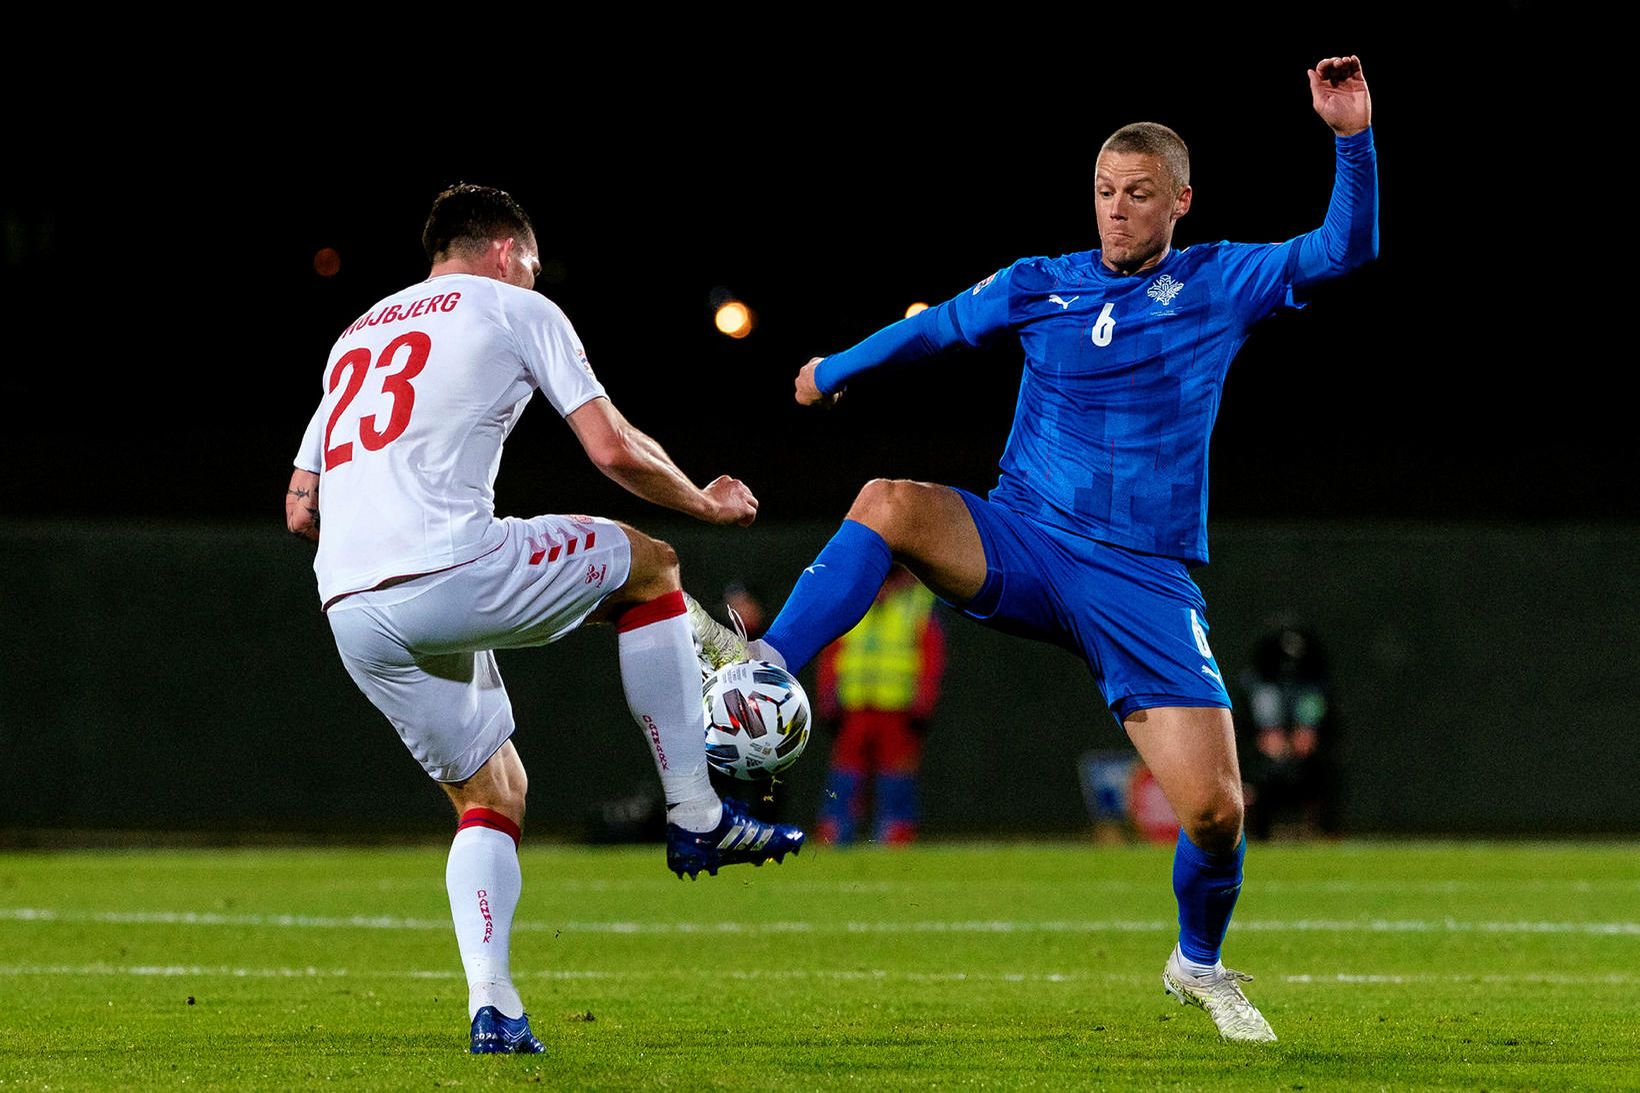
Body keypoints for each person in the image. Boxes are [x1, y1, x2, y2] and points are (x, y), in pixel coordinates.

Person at [695, 57, 1377, 1042]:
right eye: (1103, 193)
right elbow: (934, 329)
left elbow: (1343, 248)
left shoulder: (1221, 279)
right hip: (1021, 541)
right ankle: (763, 672)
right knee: (886, 499)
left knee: (1218, 812)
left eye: (1138, 195)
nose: (1116, 212)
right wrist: (833, 369)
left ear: (1179, 201)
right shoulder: (1040, 286)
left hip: (1141, 578)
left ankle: (1195, 962)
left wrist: (1347, 136)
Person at [285, 184, 804, 1056]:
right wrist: (703, 503)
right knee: (652, 566)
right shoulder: (512, 303)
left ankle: (494, 1006)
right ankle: (696, 811)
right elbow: (610, 447)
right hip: (447, 563)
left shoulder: (357, 333)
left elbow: (301, 503)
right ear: (502, 251)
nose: (530, 276)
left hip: (350, 604)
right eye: (528, 262)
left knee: (493, 794)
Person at [814, 564, 945, 845]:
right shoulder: (851, 602)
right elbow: (831, 652)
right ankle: (836, 832)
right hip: (854, 706)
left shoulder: (915, 605)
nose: (883, 587)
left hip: (897, 708)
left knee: (896, 774)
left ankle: (896, 835)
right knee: (845, 773)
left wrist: (924, 701)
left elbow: (931, 657)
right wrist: (828, 697)